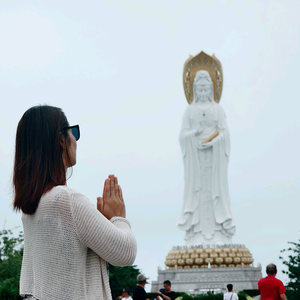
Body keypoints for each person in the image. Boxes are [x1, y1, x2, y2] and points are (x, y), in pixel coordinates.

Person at [13, 105, 137, 300]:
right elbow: (125, 253)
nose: (76, 141)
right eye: (74, 133)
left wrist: (102, 224)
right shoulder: (66, 200)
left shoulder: (32, 207)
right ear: (62, 140)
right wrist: (117, 218)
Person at [178, 69, 236, 245]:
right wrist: (193, 134)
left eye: (206, 90)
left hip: (214, 159)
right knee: (197, 191)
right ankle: (196, 233)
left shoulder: (217, 109)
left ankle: (219, 231)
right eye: (200, 90)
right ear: (194, 90)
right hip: (195, 162)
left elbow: (225, 134)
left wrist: (214, 141)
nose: (203, 94)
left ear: (211, 90)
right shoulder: (190, 110)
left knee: (215, 192)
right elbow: (182, 136)